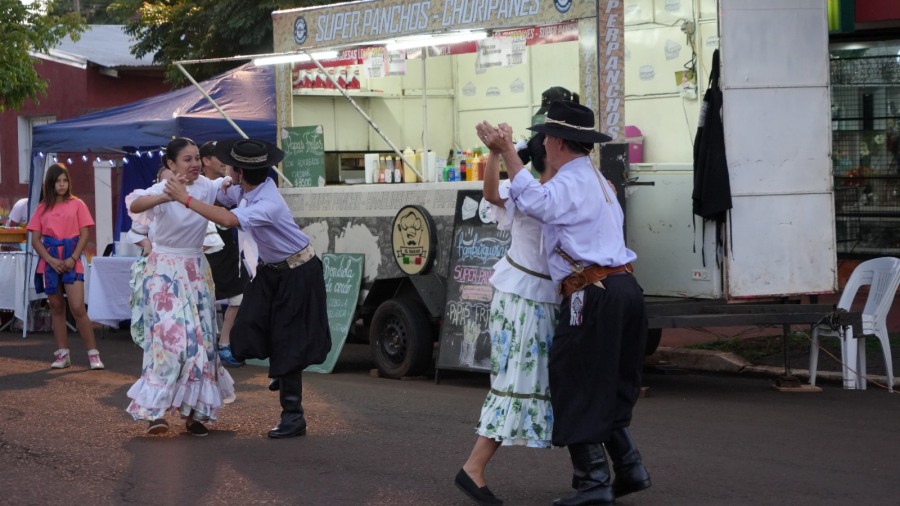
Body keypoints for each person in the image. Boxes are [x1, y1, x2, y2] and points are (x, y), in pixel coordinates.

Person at [477, 101, 651, 506]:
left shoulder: (572, 181)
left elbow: (538, 203)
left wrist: (506, 152)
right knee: (602, 381)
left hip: (594, 291)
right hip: (621, 288)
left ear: (555, 141)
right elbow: (533, 198)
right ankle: (628, 466)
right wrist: (503, 153)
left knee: (573, 379)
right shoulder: (595, 178)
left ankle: (593, 483)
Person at [163, 138, 331, 439]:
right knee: (245, 332)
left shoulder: (268, 203)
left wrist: (185, 199)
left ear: (241, 171)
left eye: (231, 165)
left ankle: (293, 415)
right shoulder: (247, 190)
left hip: (298, 271)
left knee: (289, 342)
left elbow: (227, 219)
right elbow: (222, 197)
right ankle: (283, 368)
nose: (226, 166)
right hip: (271, 273)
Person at [455, 133, 562, 506]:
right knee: (517, 381)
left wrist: (496, 152)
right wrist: (495, 152)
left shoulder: (544, 187)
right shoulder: (531, 190)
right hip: (524, 297)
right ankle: (473, 468)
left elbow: (490, 194)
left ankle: (595, 473)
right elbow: (490, 195)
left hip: (534, 296)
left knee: (536, 381)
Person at [125, 137, 236, 437]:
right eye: (187, 159)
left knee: (202, 345)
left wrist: (230, 180)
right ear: (171, 165)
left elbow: (228, 186)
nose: (195, 163)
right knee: (170, 343)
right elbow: (134, 203)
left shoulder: (207, 187)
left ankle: (195, 414)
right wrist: (165, 196)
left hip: (196, 272)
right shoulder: (161, 190)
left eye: (197, 157)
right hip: (163, 272)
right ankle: (155, 413)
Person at [26, 163, 104, 370]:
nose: (62, 184)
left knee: (78, 307)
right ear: (50, 184)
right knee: (56, 307)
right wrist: (51, 261)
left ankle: (93, 354)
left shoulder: (77, 204)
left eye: (65, 180)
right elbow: (35, 240)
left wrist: (72, 258)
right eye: (57, 181)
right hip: (50, 261)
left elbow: (85, 234)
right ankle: (63, 354)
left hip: (72, 259)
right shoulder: (42, 208)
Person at [199, 140, 249, 368]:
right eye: (218, 157)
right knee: (204, 301)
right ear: (206, 161)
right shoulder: (197, 187)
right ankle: (203, 348)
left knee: (239, 295)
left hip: (228, 248)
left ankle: (225, 341)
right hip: (204, 251)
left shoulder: (229, 184)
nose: (224, 162)